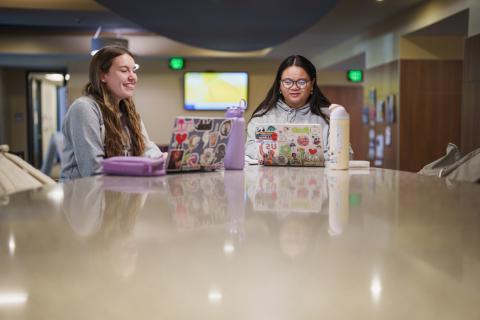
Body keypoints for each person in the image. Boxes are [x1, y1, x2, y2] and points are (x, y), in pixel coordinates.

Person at [61, 46, 161, 180]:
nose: (133, 77)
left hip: (120, 194)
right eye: (124, 70)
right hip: (85, 196)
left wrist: (163, 158)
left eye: (134, 70)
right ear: (103, 75)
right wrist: (141, 168)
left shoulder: (128, 111)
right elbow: (94, 170)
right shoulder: (84, 108)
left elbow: (147, 149)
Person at [245, 55, 332, 160]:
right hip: (271, 176)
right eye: (287, 82)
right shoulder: (262, 118)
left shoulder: (329, 117)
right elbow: (250, 152)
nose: (294, 87)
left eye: (301, 82)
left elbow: (344, 155)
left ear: (312, 84)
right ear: (279, 85)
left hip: (318, 176)